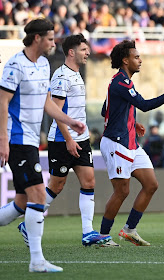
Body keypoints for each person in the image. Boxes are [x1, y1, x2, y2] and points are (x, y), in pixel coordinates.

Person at [0, 19, 85, 273]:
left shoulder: (44, 64)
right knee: (38, 195)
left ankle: (37, 260)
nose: (53, 43)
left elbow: (47, 103)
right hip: (16, 140)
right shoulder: (15, 65)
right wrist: (3, 140)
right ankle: (37, 261)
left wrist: (70, 121)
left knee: (22, 203)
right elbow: (2, 103)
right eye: (49, 38)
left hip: (30, 141)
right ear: (37, 38)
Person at [17, 34, 111, 248]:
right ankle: (28, 223)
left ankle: (88, 233)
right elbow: (56, 113)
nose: (87, 53)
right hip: (61, 140)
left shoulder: (77, 75)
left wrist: (80, 136)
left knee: (89, 182)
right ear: (71, 52)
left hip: (82, 139)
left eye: (87, 49)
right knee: (56, 186)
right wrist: (68, 139)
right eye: (83, 49)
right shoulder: (61, 77)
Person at [99, 40, 164, 246]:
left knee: (151, 184)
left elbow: (105, 110)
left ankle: (129, 229)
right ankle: (102, 236)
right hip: (116, 143)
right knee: (122, 191)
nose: (140, 60)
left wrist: (132, 122)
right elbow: (144, 105)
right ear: (125, 61)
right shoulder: (121, 82)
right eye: (136, 57)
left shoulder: (120, 81)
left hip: (130, 142)